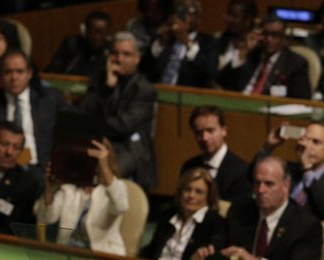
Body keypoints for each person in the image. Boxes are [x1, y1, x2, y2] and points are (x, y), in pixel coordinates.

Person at [191, 156, 323, 260]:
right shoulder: (239, 211)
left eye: (269, 184)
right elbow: (219, 249)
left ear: (286, 186)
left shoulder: (306, 225)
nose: (260, 190)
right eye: (257, 183)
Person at [78, 32, 158, 191]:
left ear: (137, 58)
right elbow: (83, 111)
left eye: (126, 54)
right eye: (115, 53)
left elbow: (123, 125)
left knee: (105, 173)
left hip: (128, 145)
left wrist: (92, 124)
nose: (119, 59)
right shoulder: (100, 80)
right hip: (98, 141)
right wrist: (107, 88)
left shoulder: (144, 90)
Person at [0, 50, 67, 169]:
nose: (14, 77)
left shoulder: (50, 100)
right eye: (8, 72)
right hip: (2, 169)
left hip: (41, 169)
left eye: (19, 72)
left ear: (29, 74)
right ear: (0, 75)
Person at [35, 139, 131, 255]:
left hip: (103, 256)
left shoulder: (113, 188)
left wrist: (105, 169)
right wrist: (50, 191)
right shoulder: (70, 189)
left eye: (94, 161)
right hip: (68, 255)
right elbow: (45, 218)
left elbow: (121, 206)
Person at [257, 122, 324, 224]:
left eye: (316, 142)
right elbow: (251, 180)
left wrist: (307, 169)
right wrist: (268, 147)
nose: (308, 146)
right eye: (306, 140)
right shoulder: (286, 171)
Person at [140, 168, 226, 260]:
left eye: (199, 192)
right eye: (187, 189)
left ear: (209, 196)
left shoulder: (216, 223)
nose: (191, 195)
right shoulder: (169, 215)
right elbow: (152, 250)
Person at [216, 14, 313, 99]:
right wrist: (243, 52)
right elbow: (223, 82)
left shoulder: (295, 63)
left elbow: (302, 99)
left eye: (275, 35)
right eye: (265, 34)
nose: (269, 39)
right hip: (240, 103)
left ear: (284, 37)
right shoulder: (252, 54)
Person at [180, 105, 253, 204]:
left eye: (210, 131)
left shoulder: (242, 171)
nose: (205, 138)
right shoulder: (189, 167)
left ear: (224, 130)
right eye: (198, 133)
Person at [142, 3, 216, 87]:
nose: (183, 16)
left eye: (189, 12)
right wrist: (162, 42)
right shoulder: (164, 38)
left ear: (198, 18)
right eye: (180, 11)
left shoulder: (208, 42)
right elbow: (144, 68)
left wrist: (187, 41)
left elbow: (211, 72)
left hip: (189, 95)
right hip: (157, 90)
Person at [45, 10, 111, 77]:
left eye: (101, 32)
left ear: (107, 32)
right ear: (86, 30)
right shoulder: (72, 44)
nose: (96, 37)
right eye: (93, 31)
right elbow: (52, 71)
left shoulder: (110, 50)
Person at [214, 0, 258, 70]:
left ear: (248, 19)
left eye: (234, 16)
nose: (229, 19)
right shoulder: (221, 38)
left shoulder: (256, 47)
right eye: (229, 14)